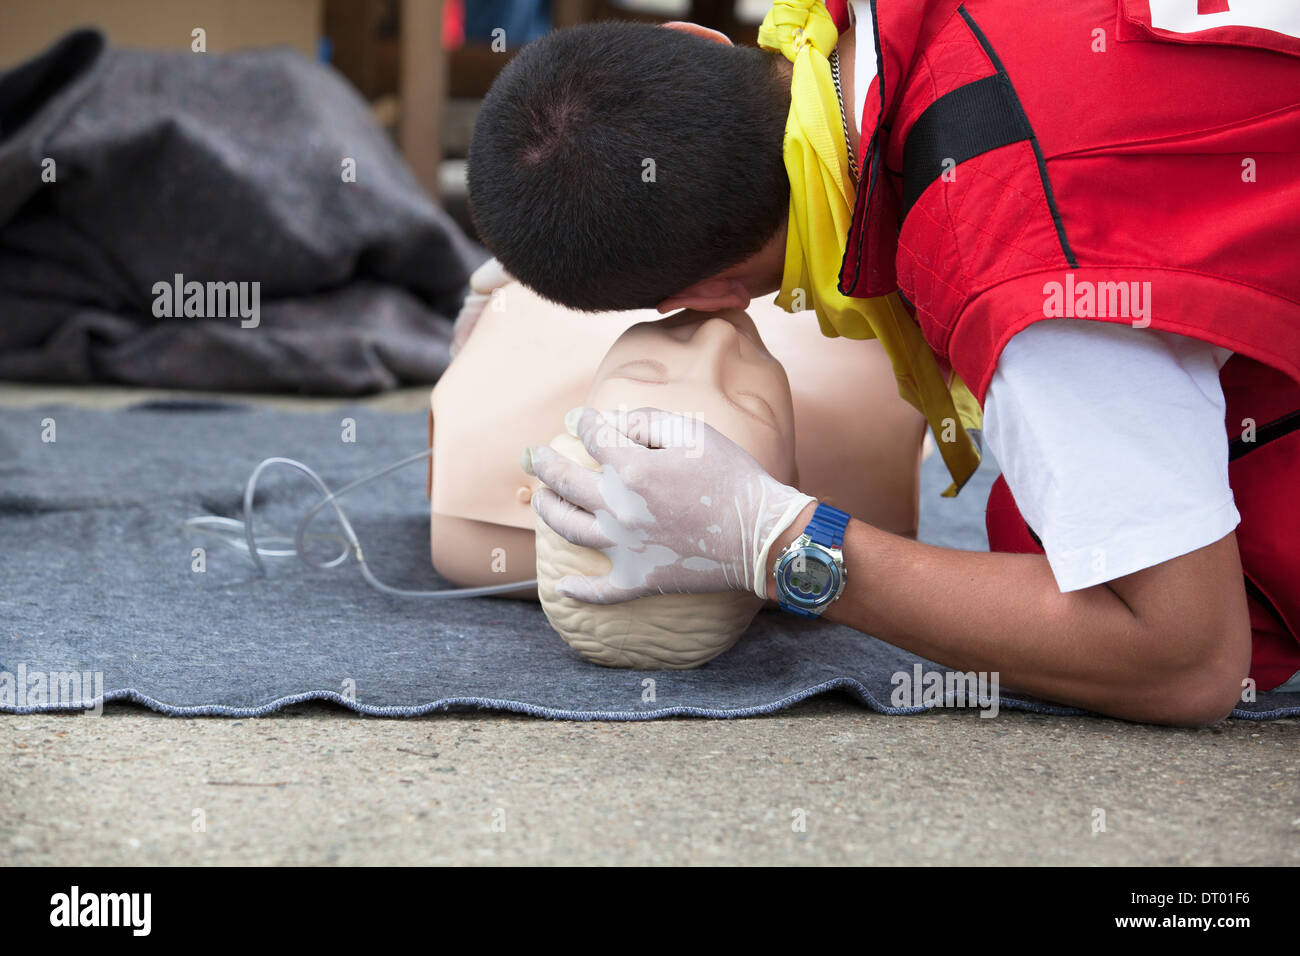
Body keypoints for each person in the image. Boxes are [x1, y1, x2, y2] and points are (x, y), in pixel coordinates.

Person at [466, 0, 1300, 725]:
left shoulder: (1026, 274)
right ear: (705, 38)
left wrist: (781, 541)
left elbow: (1190, 660)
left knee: (1068, 563)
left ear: (712, 293)